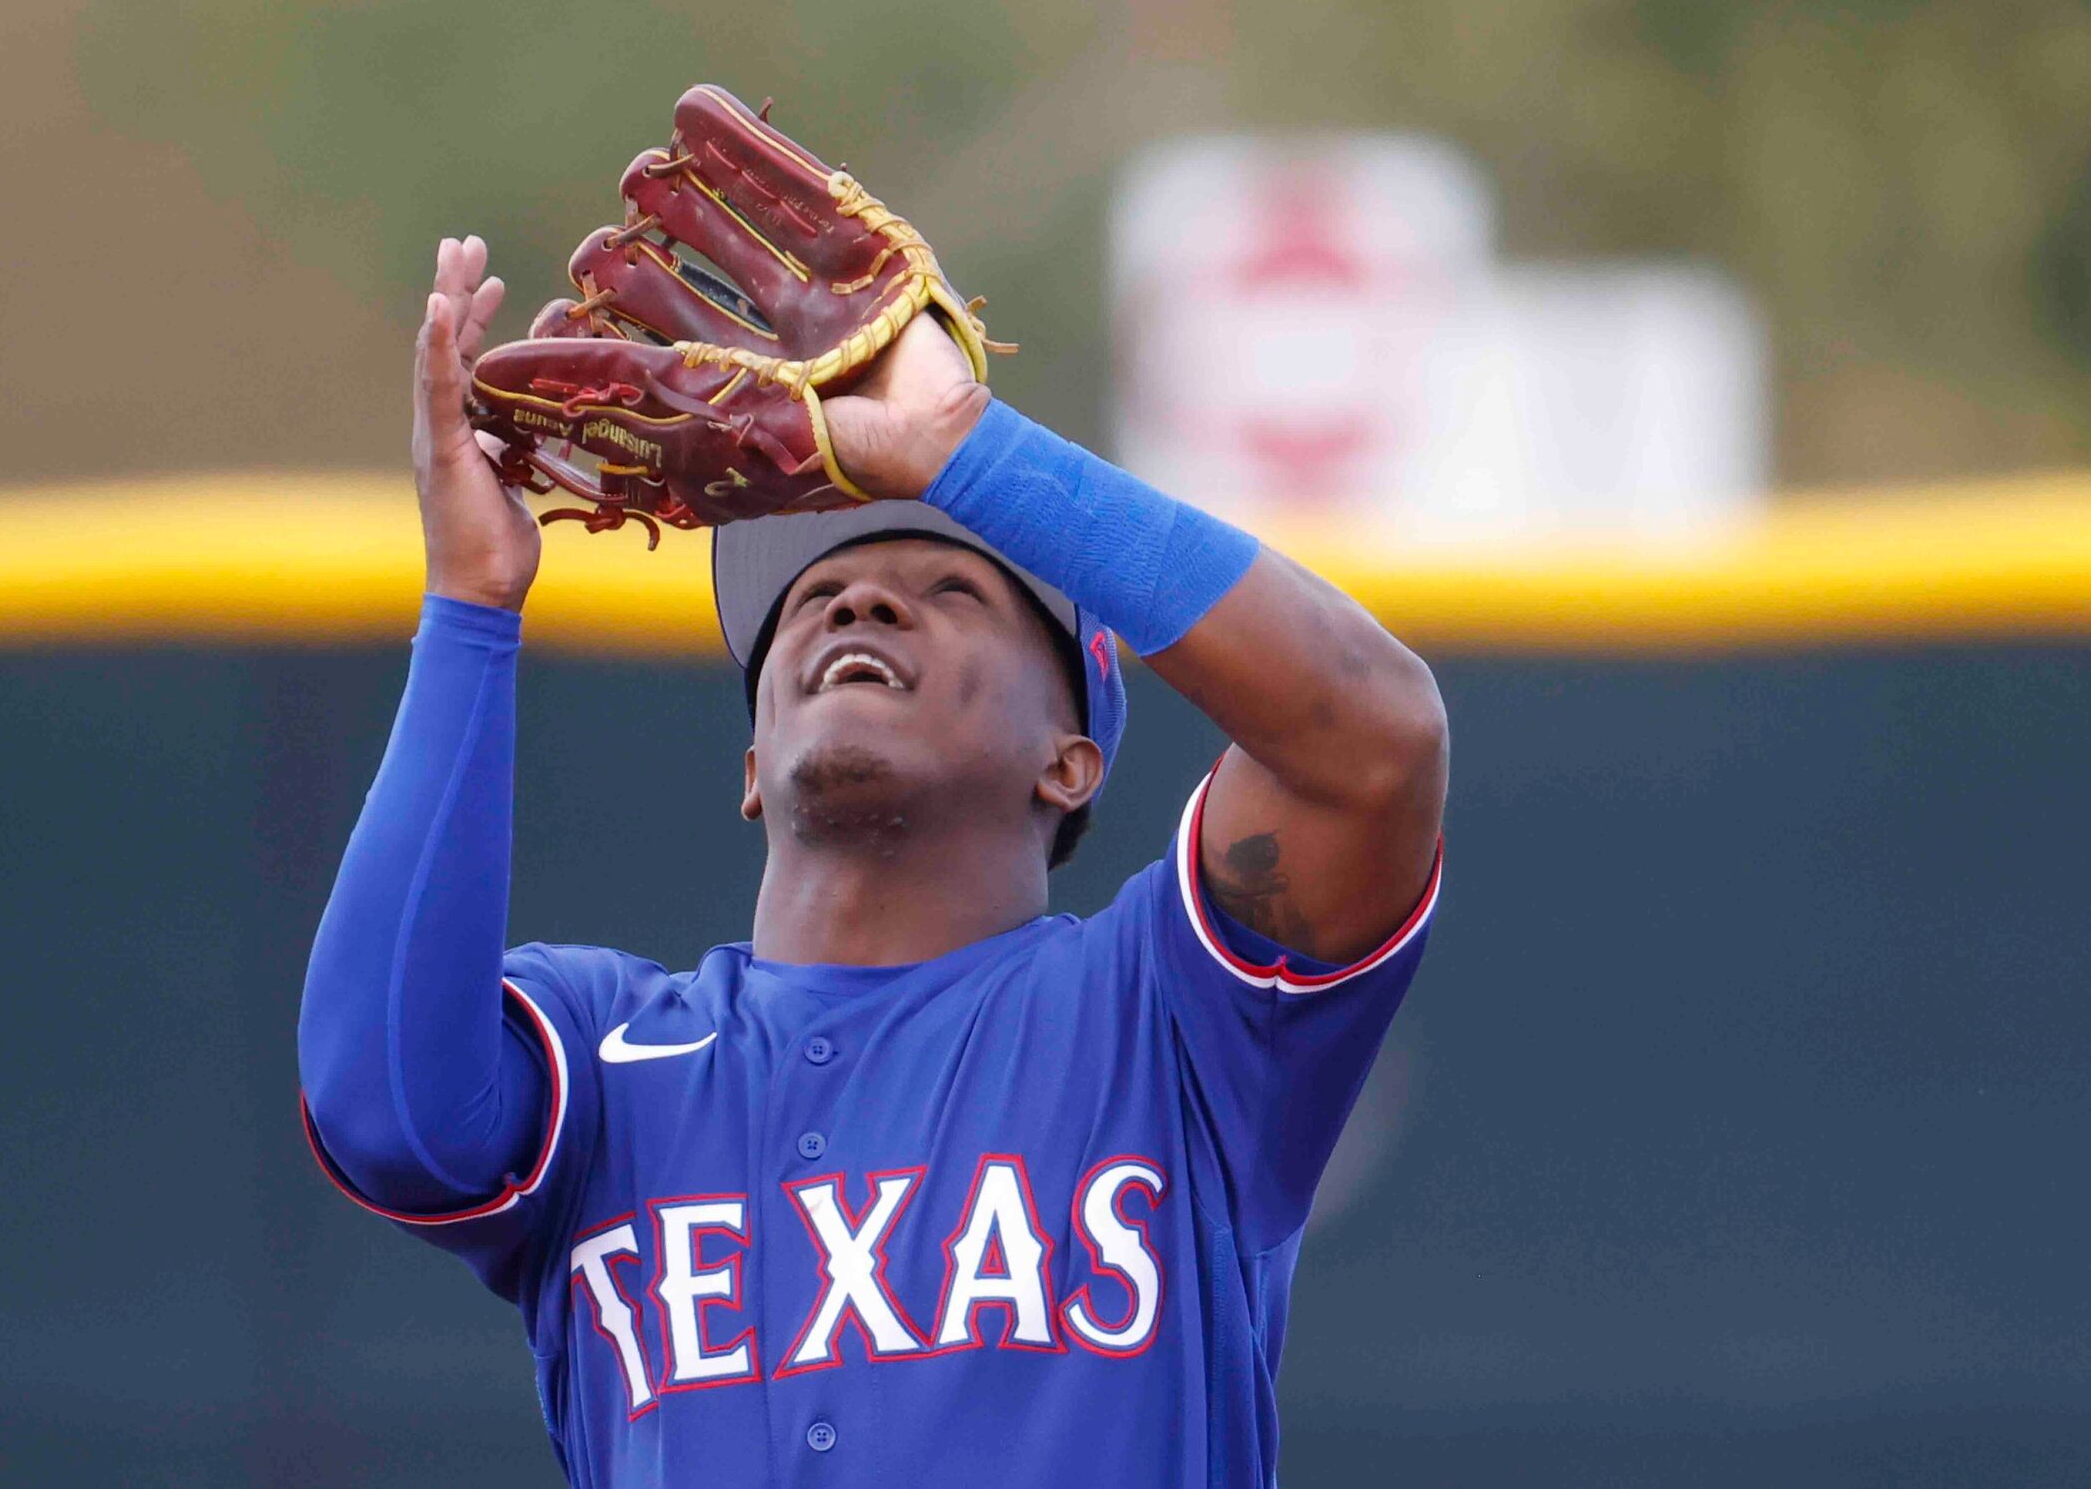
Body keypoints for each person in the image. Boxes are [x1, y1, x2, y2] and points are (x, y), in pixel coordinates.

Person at [298, 232, 1449, 1486]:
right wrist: (470, 601)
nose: (860, 602)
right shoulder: (609, 1055)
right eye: (814, 598)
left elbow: (1372, 744)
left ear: (1070, 760)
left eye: (951, 591)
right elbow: (385, 1111)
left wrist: (959, 448)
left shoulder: (1167, 1018)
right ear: (750, 766)